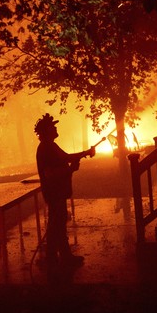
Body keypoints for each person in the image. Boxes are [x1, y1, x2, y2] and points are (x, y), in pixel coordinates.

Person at [34, 113, 95, 269]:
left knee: (59, 224)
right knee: (56, 225)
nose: (55, 128)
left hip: (58, 192)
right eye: (53, 127)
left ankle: (60, 257)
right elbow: (51, 174)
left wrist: (86, 153)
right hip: (55, 193)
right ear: (47, 131)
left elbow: (65, 157)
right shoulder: (46, 149)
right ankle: (54, 259)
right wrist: (71, 170)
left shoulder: (50, 146)